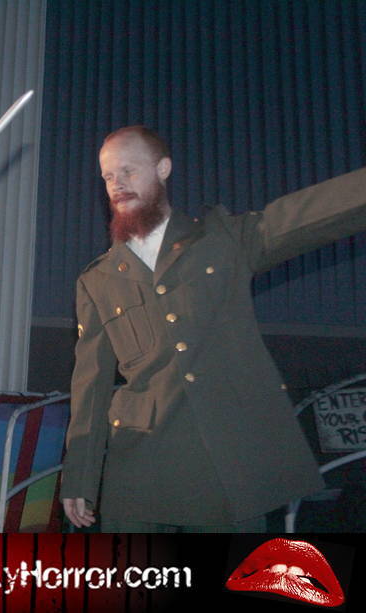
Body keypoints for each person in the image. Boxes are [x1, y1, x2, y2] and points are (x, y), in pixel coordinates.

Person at [61, 125, 366, 532]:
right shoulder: (98, 279)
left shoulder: (222, 240)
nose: (117, 184)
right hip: (140, 475)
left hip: (227, 466)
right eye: (108, 176)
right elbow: (91, 385)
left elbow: (303, 215)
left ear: (163, 169)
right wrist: (78, 477)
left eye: (129, 170)